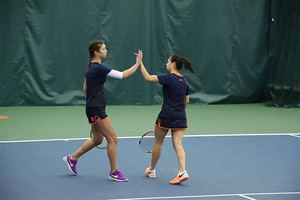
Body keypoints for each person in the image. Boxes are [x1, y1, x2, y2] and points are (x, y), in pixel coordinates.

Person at [63, 40, 143, 182]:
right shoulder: (98, 68)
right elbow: (122, 75)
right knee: (112, 139)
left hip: (91, 107)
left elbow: (84, 89)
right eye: (104, 49)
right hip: (97, 108)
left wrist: (91, 102)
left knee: (97, 139)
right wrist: (137, 63)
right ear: (96, 52)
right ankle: (114, 172)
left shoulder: (89, 68)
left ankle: (72, 158)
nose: (106, 51)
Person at [140, 54, 194, 184]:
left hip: (166, 114)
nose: (166, 64)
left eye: (168, 61)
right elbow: (186, 100)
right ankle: (182, 171)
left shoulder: (168, 78)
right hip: (180, 115)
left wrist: (140, 62)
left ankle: (152, 170)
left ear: (173, 64)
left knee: (158, 142)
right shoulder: (184, 81)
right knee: (178, 144)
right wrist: (180, 109)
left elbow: (147, 78)